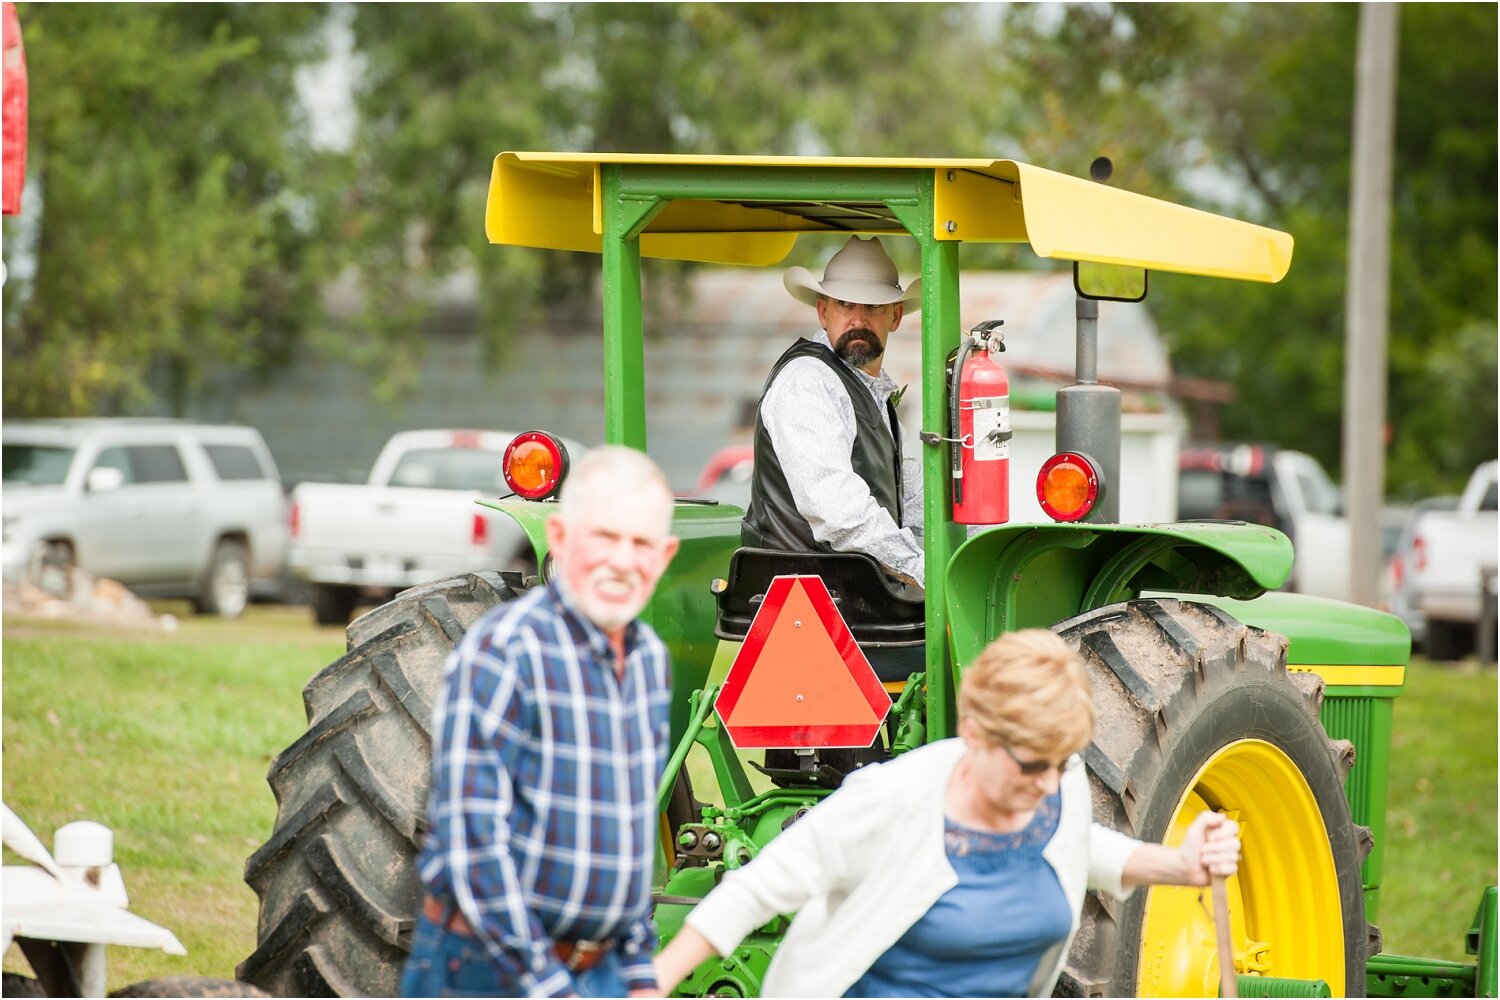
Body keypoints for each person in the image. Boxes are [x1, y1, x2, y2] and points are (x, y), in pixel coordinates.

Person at [652, 629, 1242, 999]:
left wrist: (1181, 863)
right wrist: (653, 984)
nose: (1048, 782)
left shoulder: (1056, 782)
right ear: (978, 734)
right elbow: (754, 890)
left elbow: (1077, 846)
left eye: (1060, 763)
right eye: (1032, 765)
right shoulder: (892, 798)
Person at [400, 446, 680, 999]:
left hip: (597, 973)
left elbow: (623, 840)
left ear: (665, 555)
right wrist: (550, 986)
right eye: (603, 537)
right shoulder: (504, 652)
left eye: (640, 543)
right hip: (490, 971)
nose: (622, 561)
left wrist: (639, 975)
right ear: (559, 539)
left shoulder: (648, 660)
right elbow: (472, 847)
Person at [742, 235, 926, 588]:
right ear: (823, 312)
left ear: (896, 316)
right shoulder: (809, 383)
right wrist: (924, 573)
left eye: (873, 306)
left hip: (854, 601)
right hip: (803, 605)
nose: (858, 319)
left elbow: (910, 496)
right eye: (845, 305)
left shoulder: (871, 392)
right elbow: (840, 514)